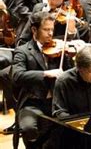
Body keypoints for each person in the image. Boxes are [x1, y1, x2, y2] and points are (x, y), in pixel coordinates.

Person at [12, 12, 73, 148]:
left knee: (69, 128)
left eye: (52, 29)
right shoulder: (23, 51)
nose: (51, 33)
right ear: (34, 30)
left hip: (56, 103)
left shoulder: (59, 49)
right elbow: (17, 75)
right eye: (46, 29)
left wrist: (72, 56)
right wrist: (45, 73)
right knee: (29, 128)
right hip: (32, 103)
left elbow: (70, 73)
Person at [17, 0, 89, 46]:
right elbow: (24, 37)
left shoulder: (69, 14)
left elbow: (74, 43)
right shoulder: (38, 9)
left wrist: (71, 29)